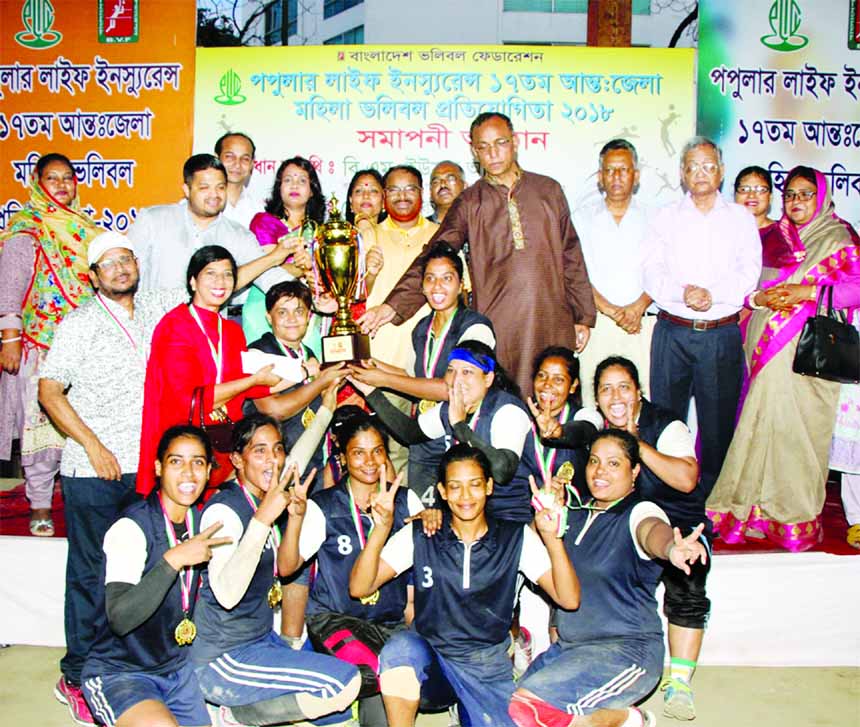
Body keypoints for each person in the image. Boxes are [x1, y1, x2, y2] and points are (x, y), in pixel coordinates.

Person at [38, 231, 186, 723]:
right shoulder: (78, 324)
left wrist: (274, 256)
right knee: (90, 575)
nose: (121, 268)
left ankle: (127, 667)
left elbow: (216, 282)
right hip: (93, 470)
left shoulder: (158, 308)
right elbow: (50, 391)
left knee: (136, 573)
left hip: (144, 469)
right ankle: (77, 673)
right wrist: (91, 445)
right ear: (93, 276)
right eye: (110, 263)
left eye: (127, 259)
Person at [360, 112, 596, 397]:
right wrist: (392, 306)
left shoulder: (548, 190)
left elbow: (571, 253)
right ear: (474, 151)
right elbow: (436, 254)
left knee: (556, 400)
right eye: (483, 147)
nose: (493, 153)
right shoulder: (470, 202)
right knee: (504, 402)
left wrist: (582, 315)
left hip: (552, 317)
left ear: (515, 142)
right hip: (500, 324)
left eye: (500, 143)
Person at [350, 444, 581, 727]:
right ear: (443, 492)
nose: (465, 496)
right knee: (400, 649)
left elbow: (569, 600)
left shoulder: (515, 537)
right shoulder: (423, 534)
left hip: (486, 666)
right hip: (432, 660)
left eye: (474, 485)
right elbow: (360, 587)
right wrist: (382, 529)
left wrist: (552, 538)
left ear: (489, 486)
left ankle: (465, 712)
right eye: (455, 487)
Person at [509, 430, 708, 727]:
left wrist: (670, 547)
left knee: (528, 710)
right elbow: (540, 561)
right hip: (568, 650)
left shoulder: (639, 511)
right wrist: (543, 519)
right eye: (594, 461)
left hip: (626, 652)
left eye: (614, 463)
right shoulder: (573, 515)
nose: (600, 471)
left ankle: (623, 720)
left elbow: (651, 530)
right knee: (500, 710)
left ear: (634, 471)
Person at [708, 167, 860, 551]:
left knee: (798, 435)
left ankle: (791, 517)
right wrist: (759, 299)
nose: (796, 202)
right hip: (764, 351)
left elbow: (855, 290)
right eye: (791, 194)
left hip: (808, 355)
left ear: (822, 197)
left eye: (806, 194)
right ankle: (751, 511)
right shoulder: (771, 237)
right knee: (760, 427)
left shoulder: (838, 237)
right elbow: (747, 286)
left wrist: (806, 292)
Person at [191, 413, 361, 727]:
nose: (272, 459)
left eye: (278, 449)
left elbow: (287, 568)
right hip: (222, 656)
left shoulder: (265, 500)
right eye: (259, 451)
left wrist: (295, 518)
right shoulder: (223, 511)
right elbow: (227, 595)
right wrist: (261, 522)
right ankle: (233, 715)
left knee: (336, 714)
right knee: (344, 683)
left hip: (261, 639)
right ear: (237, 461)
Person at [279, 414, 425, 726]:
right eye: (358, 453)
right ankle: (294, 695)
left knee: (405, 676)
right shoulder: (324, 505)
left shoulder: (407, 500)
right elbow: (287, 566)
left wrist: (434, 516)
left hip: (389, 624)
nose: (370, 461)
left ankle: (348, 695)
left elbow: (415, 574)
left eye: (377, 451)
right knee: (374, 672)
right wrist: (295, 519)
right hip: (335, 620)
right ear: (343, 457)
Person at [81, 425, 230, 727]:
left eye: (198, 462)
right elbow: (120, 618)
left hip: (176, 670)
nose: (188, 473)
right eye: (176, 461)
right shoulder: (131, 528)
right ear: (159, 468)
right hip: (119, 671)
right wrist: (173, 560)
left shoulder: (203, 523)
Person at [641, 136, 761, 506]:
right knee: (667, 419)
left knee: (717, 425)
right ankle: (666, 501)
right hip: (672, 330)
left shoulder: (740, 219)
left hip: (719, 333)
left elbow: (749, 270)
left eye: (709, 166)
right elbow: (650, 270)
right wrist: (682, 292)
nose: (701, 173)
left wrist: (712, 293)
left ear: (721, 172)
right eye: (693, 166)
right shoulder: (665, 216)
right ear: (682, 173)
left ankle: (713, 503)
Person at [584, 356, 705, 720]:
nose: (615, 396)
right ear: (597, 398)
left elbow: (686, 480)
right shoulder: (593, 425)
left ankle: (680, 681)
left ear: (639, 393)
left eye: (624, 387)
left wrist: (638, 445)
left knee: (688, 571)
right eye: (606, 389)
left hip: (674, 522)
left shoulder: (666, 424)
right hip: (618, 522)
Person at [0, 152, 100, 539]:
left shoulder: (85, 230)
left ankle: (71, 498)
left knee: (79, 428)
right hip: (39, 347)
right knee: (41, 429)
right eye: (52, 178)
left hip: (81, 347)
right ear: (37, 183)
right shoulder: (27, 228)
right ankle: (40, 504)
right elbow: (9, 289)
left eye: (68, 178)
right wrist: (10, 339)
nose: (62, 185)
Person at [349, 243, 495, 505]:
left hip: (460, 437)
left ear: (462, 284)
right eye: (430, 279)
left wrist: (383, 380)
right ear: (422, 286)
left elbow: (454, 389)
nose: (437, 287)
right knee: (422, 515)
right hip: (424, 438)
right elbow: (411, 376)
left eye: (446, 278)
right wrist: (373, 365)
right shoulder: (421, 328)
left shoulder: (476, 327)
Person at [138, 246, 285, 496]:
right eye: (211, 273)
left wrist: (307, 371)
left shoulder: (231, 331)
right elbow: (188, 400)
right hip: (184, 449)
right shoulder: (175, 325)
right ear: (193, 282)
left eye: (228, 274)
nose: (221, 281)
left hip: (223, 450)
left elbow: (249, 388)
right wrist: (252, 382)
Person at [353, 340, 534, 523]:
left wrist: (460, 426)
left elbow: (502, 472)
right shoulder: (451, 407)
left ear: (488, 378)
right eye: (450, 370)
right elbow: (409, 432)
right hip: (463, 512)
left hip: (508, 516)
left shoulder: (508, 410)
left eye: (467, 372)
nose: (456, 379)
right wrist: (370, 392)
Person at [128, 154, 292, 302]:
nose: (214, 195)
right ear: (187, 189)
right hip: (155, 327)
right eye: (205, 188)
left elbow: (269, 276)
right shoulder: (153, 219)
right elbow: (128, 274)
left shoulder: (238, 234)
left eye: (220, 187)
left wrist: (309, 294)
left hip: (211, 331)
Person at [574, 139, 655, 407]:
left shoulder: (656, 218)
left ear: (637, 175)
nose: (616, 177)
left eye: (623, 169)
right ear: (600, 177)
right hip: (597, 324)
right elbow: (575, 273)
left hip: (641, 324)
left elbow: (663, 270)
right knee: (595, 400)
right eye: (609, 170)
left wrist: (638, 307)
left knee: (641, 397)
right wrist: (610, 310)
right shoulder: (581, 218)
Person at [242, 156, 336, 346]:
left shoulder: (321, 232)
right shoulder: (264, 223)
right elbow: (270, 271)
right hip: (264, 309)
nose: (294, 185)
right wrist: (306, 269)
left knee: (311, 371)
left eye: (302, 180)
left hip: (308, 313)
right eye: (287, 180)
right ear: (279, 188)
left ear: (312, 191)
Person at [215, 131, 263, 228]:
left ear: (252, 164)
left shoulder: (259, 210)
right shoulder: (199, 203)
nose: (237, 164)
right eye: (229, 157)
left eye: (245, 159)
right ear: (217, 159)